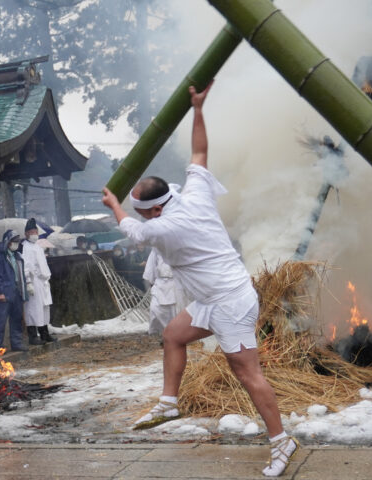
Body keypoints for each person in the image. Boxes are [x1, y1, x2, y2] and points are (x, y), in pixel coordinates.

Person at [101, 83, 295, 477]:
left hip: (231, 301)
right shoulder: (194, 192)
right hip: (212, 297)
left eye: (141, 211)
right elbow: (200, 151)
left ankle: (281, 441)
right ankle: (169, 402)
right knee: (173, 334)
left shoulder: (163, 228)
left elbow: (133, 233)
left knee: (247, 374)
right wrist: (197, 108)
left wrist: (116, 206)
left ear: (151, 210)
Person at [0, 230, 28, 351]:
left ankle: (16, 343)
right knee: (0, 321)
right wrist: (0, 292)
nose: (16, 244)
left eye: (17, 241)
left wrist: (24, 291)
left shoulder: (17, 255)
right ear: (8, 242)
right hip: (4, 293)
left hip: (16, 291)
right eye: (14, 241)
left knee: (16, 319)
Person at [21, 218, 55, 345]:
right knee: (33, 309)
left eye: (36, 232)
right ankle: (33, 336)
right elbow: (26, 266)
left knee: (44, 309)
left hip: (43, 282)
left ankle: (45, 334)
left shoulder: (38, 247)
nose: (34, 234)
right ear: (26, 234)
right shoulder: (25, 247)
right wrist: (28, 282)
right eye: (31, 232)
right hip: (34, 281)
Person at [142, 249, 188, 337]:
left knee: (176, 311)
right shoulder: (156, 249)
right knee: (155, 308)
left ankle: (175, 334)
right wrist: (149, 283)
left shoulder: (181, 247)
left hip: (177, 283)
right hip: (160, 283)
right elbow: (150, 268)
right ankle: (163, 332)